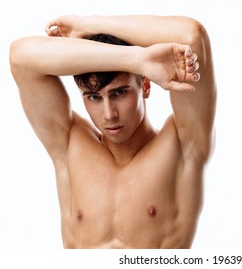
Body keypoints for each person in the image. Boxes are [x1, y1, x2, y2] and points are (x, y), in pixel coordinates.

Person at [9, 14, 216, 249]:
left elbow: (190, 36)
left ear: (145, 85)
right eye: (94, 97)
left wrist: (88, 25)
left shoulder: (182, 146)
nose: (109, 114)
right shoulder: (69, 145)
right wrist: (136, 59)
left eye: (119, 93)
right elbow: (20, 57)